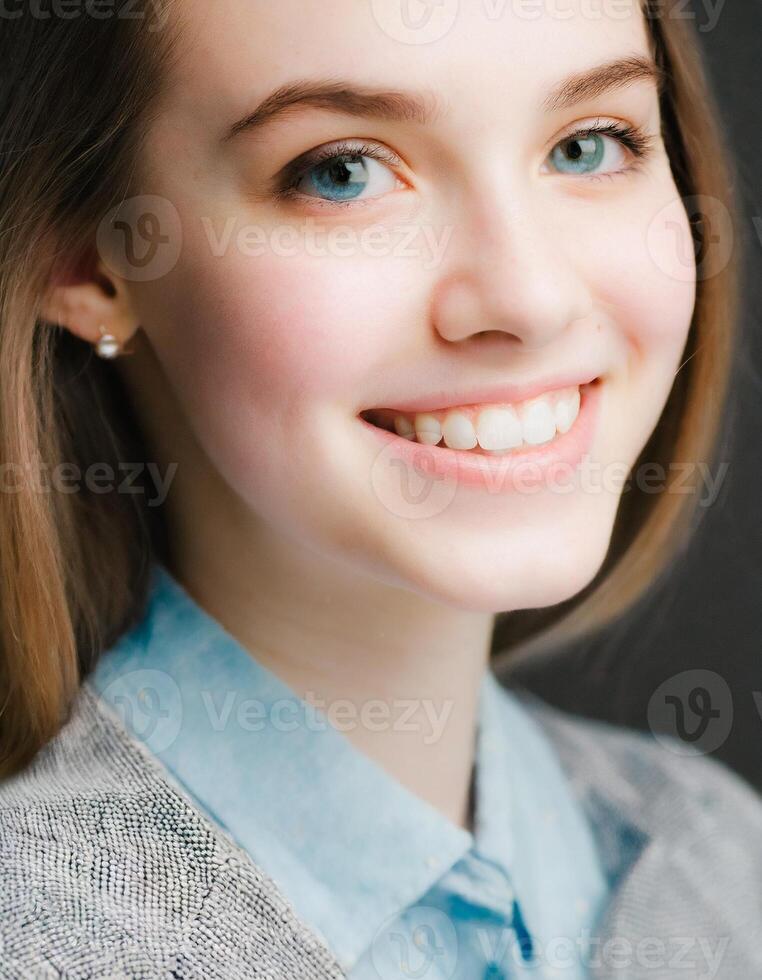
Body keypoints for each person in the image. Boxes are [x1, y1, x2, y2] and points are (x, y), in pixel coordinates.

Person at [1, 0, 761, 977]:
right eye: (342, 172)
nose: (527, 298)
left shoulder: (722, 862)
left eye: (587, 145)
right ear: (87, 257)